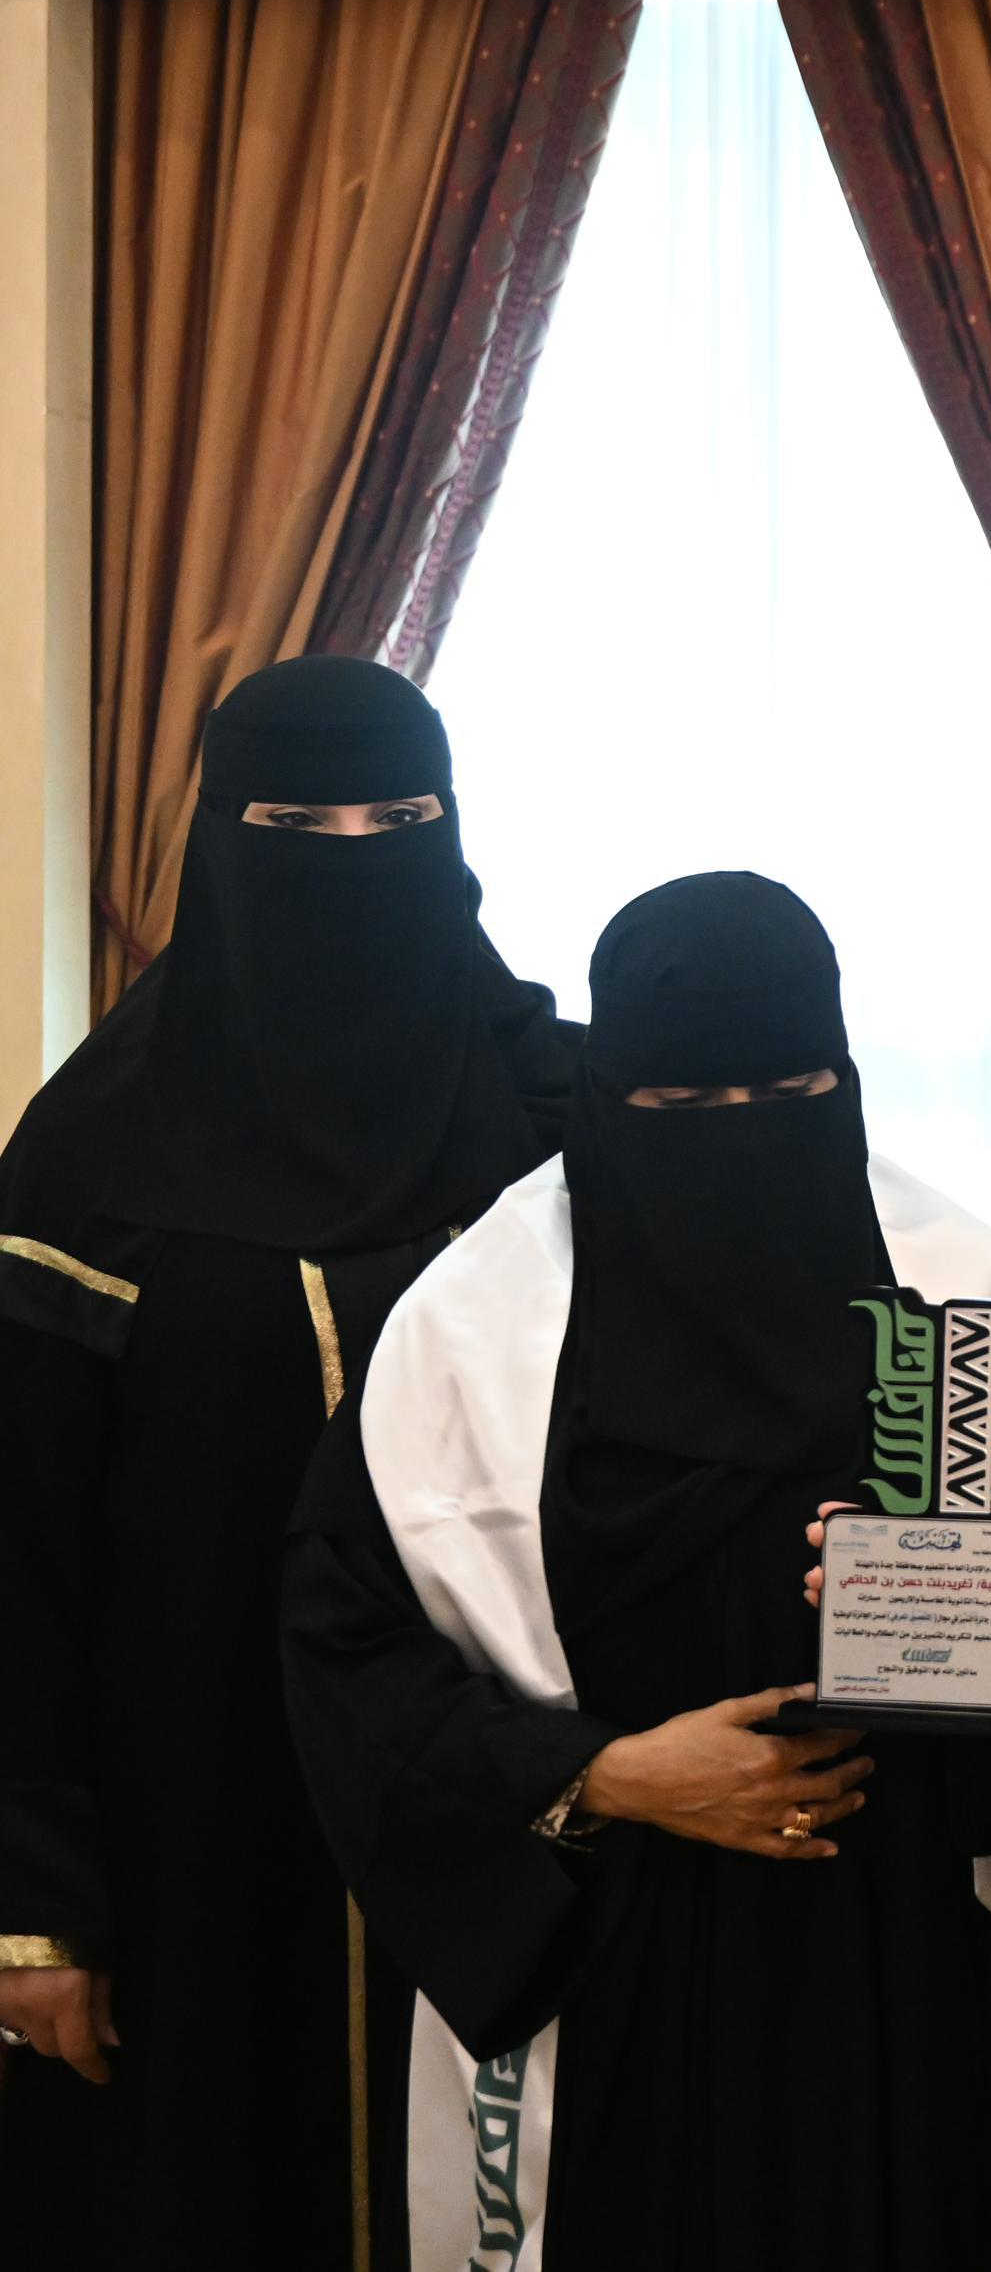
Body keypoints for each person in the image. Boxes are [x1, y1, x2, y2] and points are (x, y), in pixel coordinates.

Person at [279, 871, 991, 2269]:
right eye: (681, 1103)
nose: (739, 1136)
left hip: (891, 1964)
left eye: (785, 1092)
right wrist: (605, 1772)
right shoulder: (472, 1329)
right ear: (605, 1094)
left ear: (845, 1078)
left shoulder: (975, 1308)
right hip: (604, 1953)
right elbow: (346, 1650)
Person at [0, 655, 575, 2268]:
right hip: (194, 1808)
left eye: (398, 820)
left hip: (508, 1791)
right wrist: (34, 1901)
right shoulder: (94, 1160)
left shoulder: (556, 1111)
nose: (354, 859)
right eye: (299, 825)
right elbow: (18, 1555)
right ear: (215, 839)